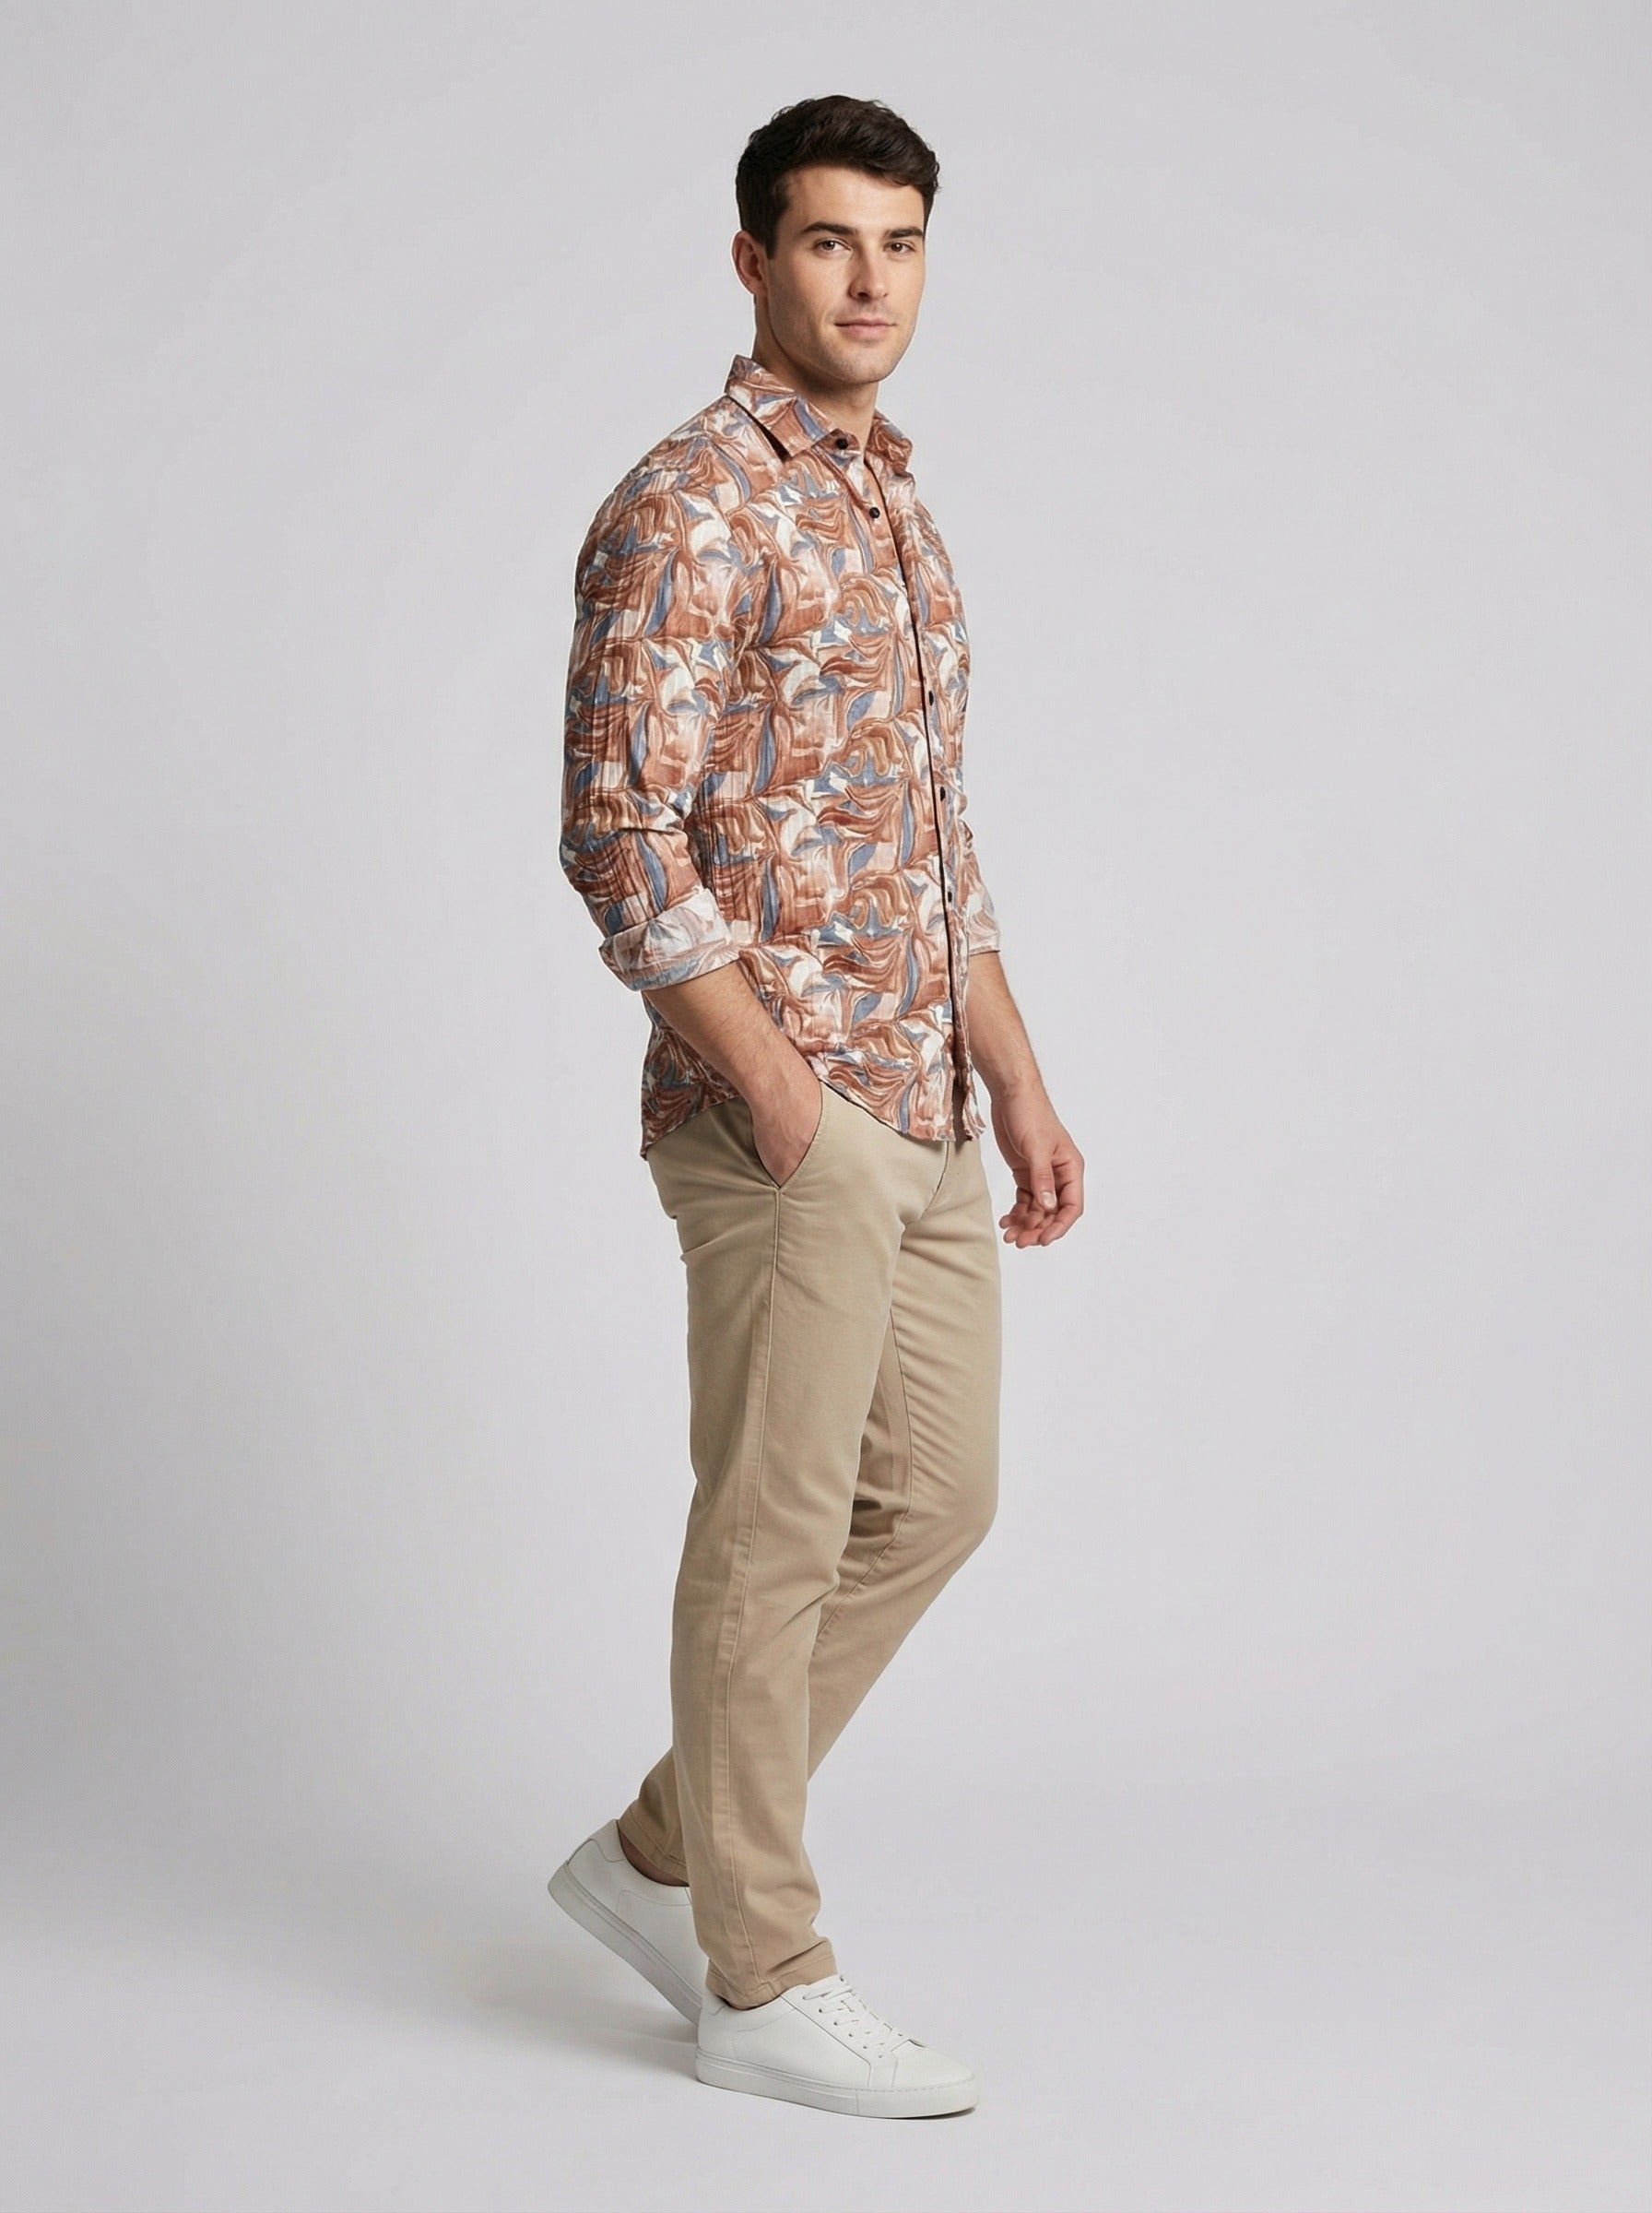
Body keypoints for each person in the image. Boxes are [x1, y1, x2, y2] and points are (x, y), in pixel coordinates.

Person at [548, 91, 1083, 2119]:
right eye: (830, 241)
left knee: (934, 1498)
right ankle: (757, 1972)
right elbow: (619, 832)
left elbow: (929, 838)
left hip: (924, 1102)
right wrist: (776, 1094)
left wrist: (1014, 1078)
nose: (869, 281)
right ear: (753, 260)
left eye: (901, 244)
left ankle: (656, 1852)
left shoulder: (893, 505)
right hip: (782, 1120)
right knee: (770, 1531)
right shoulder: (688, 504)